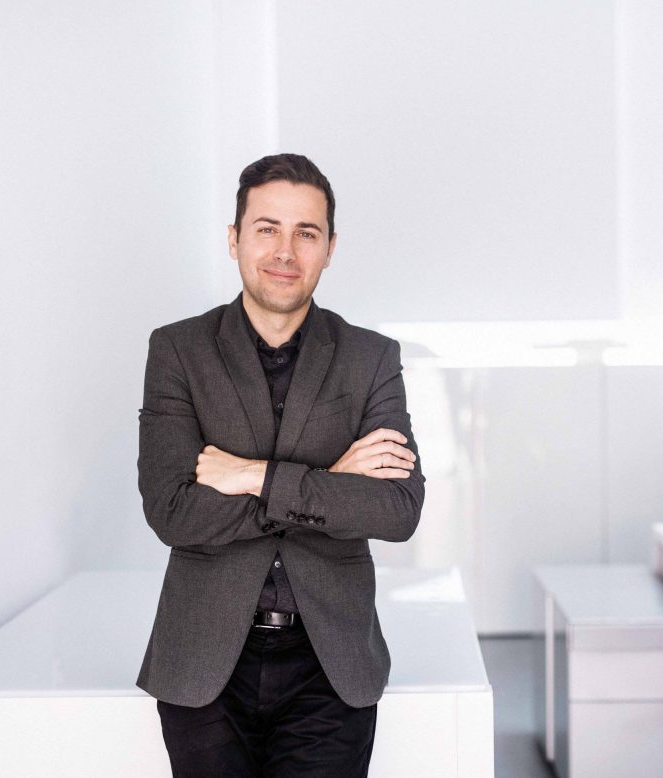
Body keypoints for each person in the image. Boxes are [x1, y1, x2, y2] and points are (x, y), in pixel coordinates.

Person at [136, 153, 425, 777]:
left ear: (329, 248)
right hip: (205, 659)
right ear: (235, 238)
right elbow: (173, 510)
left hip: (330, 662)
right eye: (267, 228)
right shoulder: (178, 351)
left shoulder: (370, 358)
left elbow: (399, 510)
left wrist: (250, 475)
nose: (285, 250)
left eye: (307, 233)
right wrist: (329, 485)